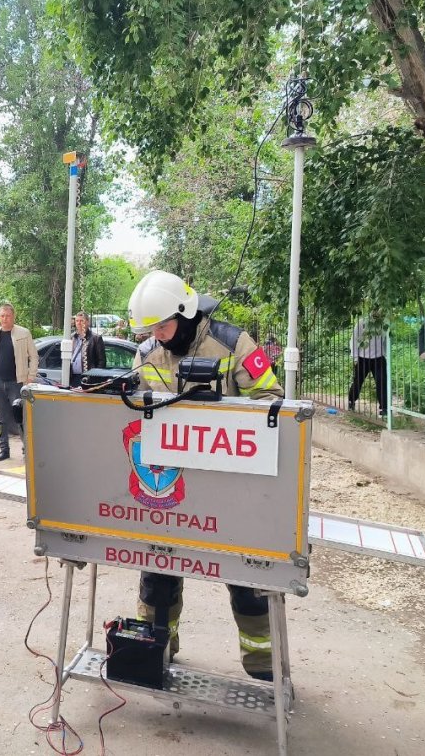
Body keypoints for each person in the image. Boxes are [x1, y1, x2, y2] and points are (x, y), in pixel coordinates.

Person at [128, 270, 283, 681]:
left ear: (185, 312)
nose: (158, 336)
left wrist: (219, 419)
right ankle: (158, 651)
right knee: (157, 576)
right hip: (171, 488)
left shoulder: (233, 344)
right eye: (151, 329)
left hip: (233, 488)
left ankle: (264, 666)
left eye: (163, 325)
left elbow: (273, 401)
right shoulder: (146, 354)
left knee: (247, 581)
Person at [0, 303, 38, 461]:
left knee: (21, 416)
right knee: (1, 418)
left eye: (8, 316)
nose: (5, 318)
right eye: (2, 316)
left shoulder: (23, 333)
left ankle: (27, 450)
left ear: (13, 317)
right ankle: (4, 450)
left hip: (17, 382)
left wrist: (31, 376)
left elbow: (34, 356)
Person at [347, 315, 388, 416]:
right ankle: (351, 401)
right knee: (357, 381)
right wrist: (355, 357)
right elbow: (354, 339)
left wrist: (386, 354)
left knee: (382, 382)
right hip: (363, 358)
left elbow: (386, 340)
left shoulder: (385, 323)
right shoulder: (362, 323)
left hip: (379, 358)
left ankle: (384, 408)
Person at [71, 311, 106, 379]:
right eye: (77, 321)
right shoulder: (72, 337)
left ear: (87, 322)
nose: (79, 323)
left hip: (88, 377)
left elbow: (101, 361)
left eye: (81, 321)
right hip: (73, 377)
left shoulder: (96, 338)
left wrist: (94, 377)